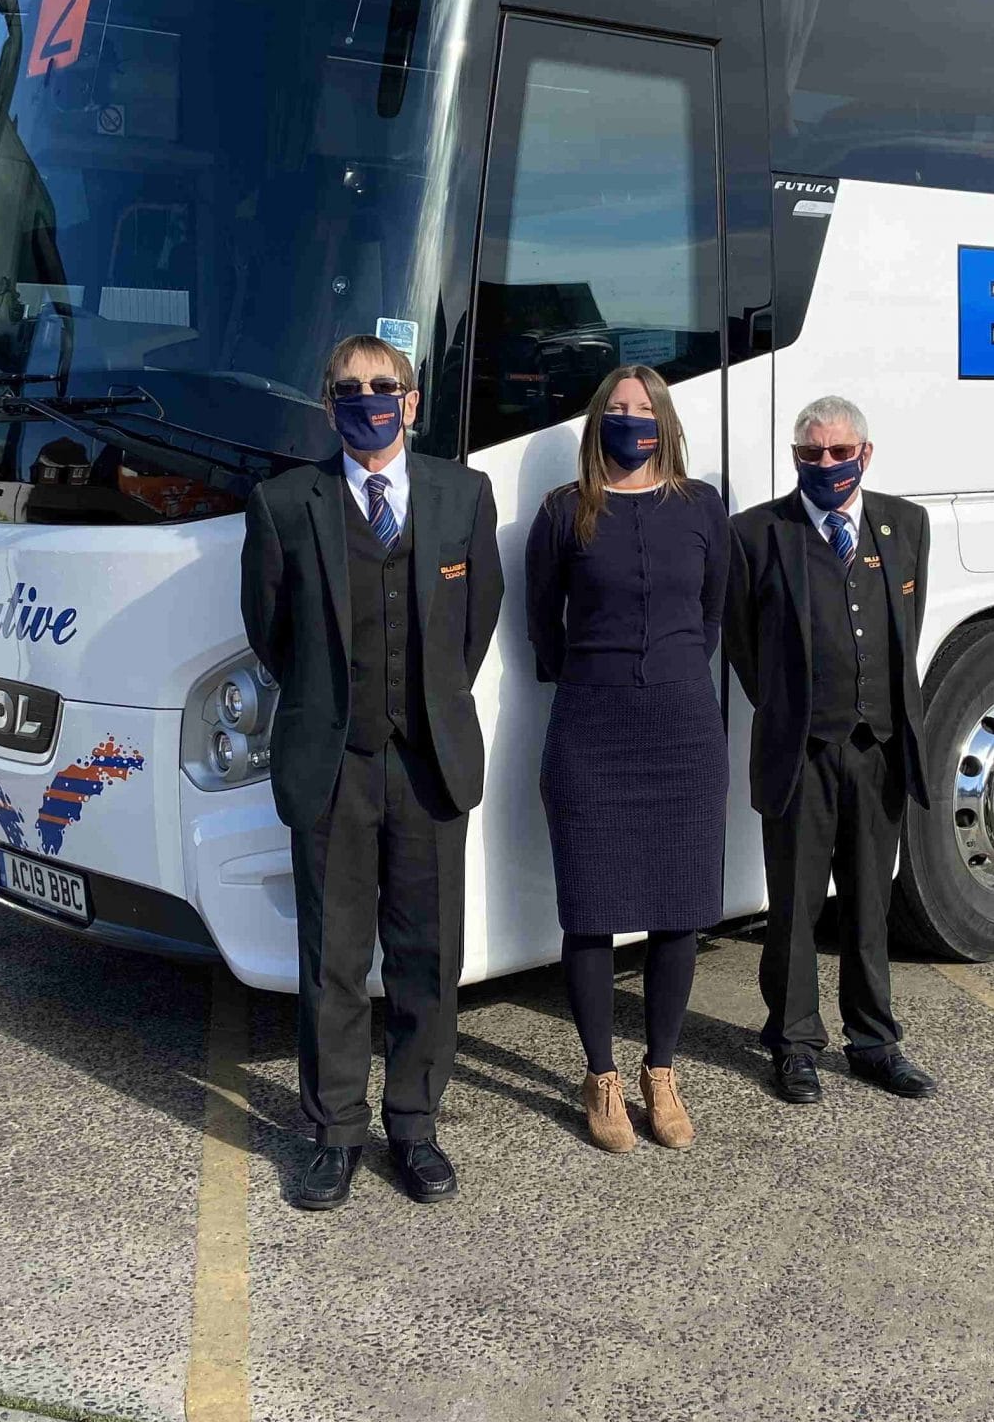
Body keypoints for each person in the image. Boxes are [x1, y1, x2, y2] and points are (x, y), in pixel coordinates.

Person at [240, 335, 504, 1210]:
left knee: (430, 956)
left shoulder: (463, 495)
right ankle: (335, 1132)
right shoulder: (284, 503)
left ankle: (416, 1125)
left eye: (383, 386)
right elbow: (271, 633)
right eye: (349, 388)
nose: (368, 399)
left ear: (413, 400)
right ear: (328, 405)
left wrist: (424, 703)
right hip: (332, 764)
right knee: (334, 961)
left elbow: (476, 622)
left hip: (430, 762)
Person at [524, 367, 730, 1152]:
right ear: (595, 423)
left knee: (680, 907)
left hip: (682, 727)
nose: (630, 421)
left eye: (644, 410)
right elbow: (542, 619)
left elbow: (712, 613)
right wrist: (596, 673)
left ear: (666, 423)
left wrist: (672, 670)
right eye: (615, 409)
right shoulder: (563, 512)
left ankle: (662, 1072)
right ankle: (601, 1078)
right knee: (591, 909)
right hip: (591, 728)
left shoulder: (703, 507)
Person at [726, 395, 938, 1105]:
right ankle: (793, 1044)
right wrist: (794, 710)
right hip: (800, 752)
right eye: (812, 453)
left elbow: (905, 622)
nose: (827, 464)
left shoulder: (905, 525)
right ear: (796, 458)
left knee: (870, 904)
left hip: (878, 747)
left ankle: (875, 1041)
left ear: (864, 455)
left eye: (840, 452)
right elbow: (744, 647)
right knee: (792, 907)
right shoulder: (756, 534)